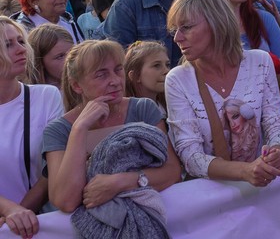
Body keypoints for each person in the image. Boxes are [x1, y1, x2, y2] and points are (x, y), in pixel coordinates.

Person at [165, 0, 280, 184]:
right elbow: (190, 156)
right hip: (213, 198)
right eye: (175, 30)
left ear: (217, 23)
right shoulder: (178, 79)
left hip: (264, 187)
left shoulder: (260, 62)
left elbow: (276, 122)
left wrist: (277, 151)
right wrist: (245, 171)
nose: (177, 38)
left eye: (186, 27)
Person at [43, 40, 181, 213]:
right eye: (101, 75)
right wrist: (79, 129)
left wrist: (120, 182)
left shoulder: (142, 109)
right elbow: (65, 201)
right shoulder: (59, 130)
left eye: (118, 69)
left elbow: (172, 172)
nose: (115, 81)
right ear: (77, 85)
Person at [0, 17, 62, 238]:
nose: (21, 49)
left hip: (40, 224)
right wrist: (8, 210)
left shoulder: (46, 96)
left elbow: (53, 170)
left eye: (20, 41)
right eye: (8, 44)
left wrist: (20, 213)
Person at [124, 41, 169, 114]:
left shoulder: (169, 106)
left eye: (167, 65)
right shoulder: (128, 113)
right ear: (136, 75)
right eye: (157, 65)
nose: (167, 71)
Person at [25, 23, 73, 88]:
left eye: (72, 52)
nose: (69, 60)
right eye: (60, 56)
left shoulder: (83, 88)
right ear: (40, 62)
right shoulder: (33, 95)